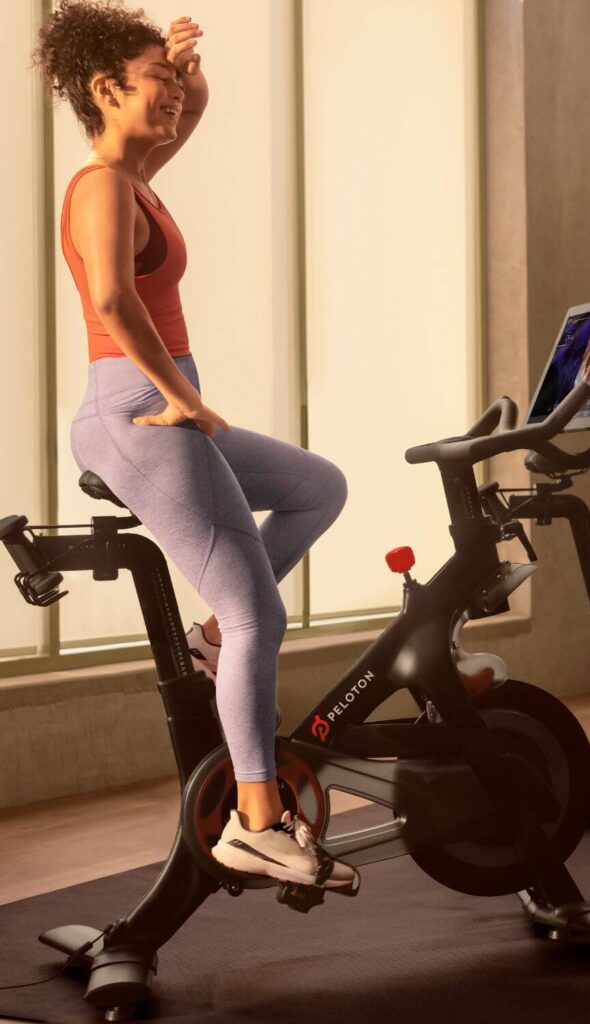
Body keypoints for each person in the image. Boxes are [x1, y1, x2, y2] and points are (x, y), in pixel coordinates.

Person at [32, 0, 359, 894]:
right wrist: (187, 399)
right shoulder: (100, 184)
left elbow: (197, 110)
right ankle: (256, 822)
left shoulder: (137, 174)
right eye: (155, 84)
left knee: (315, 488)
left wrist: (184, 66)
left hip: (158, 404)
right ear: (105, 90)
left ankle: (212, 641)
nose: (174, 99)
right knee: (264, 615)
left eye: (174, 85)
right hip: (139, 412)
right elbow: (111, 300)